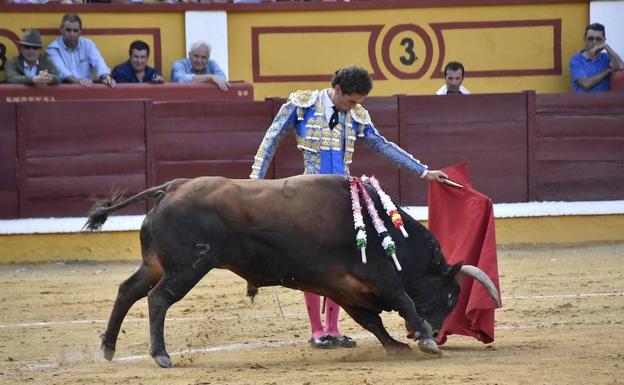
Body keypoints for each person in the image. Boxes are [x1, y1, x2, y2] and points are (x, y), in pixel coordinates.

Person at [249, 65, 448, 349]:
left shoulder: (357, 114)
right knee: (311, 263)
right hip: (309, 197)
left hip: (343, 197)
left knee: (341, 262)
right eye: (351, 101)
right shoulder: (302, 103)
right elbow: (270, 140)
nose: (354, 107)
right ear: (338, 89)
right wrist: (255, 183)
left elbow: (382, 145)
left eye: (358, 103)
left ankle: (333, 327)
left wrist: (423, 172)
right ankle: (317, 330)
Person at [46, 13, 116, 88]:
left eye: (75, 31)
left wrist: (105, 77)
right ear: (61, 30)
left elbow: (99, 62)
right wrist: (79, 82)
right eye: (68, 30)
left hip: (87, 89)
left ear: (80, 31)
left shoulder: (88, 44)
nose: (72, 34)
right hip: (64, 90)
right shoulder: (53, 48)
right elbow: (62, 71)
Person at [570, 23, 624, 93]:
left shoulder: (606, 57)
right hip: (583, 103)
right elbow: (586, 84)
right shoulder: (576, 60)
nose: (594, 42)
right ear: (584, 39)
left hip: (603, 103)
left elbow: (621, 66)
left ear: (603, 40)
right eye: (590, 38)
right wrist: (608, 71)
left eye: (598, 39)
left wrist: (606, 46)